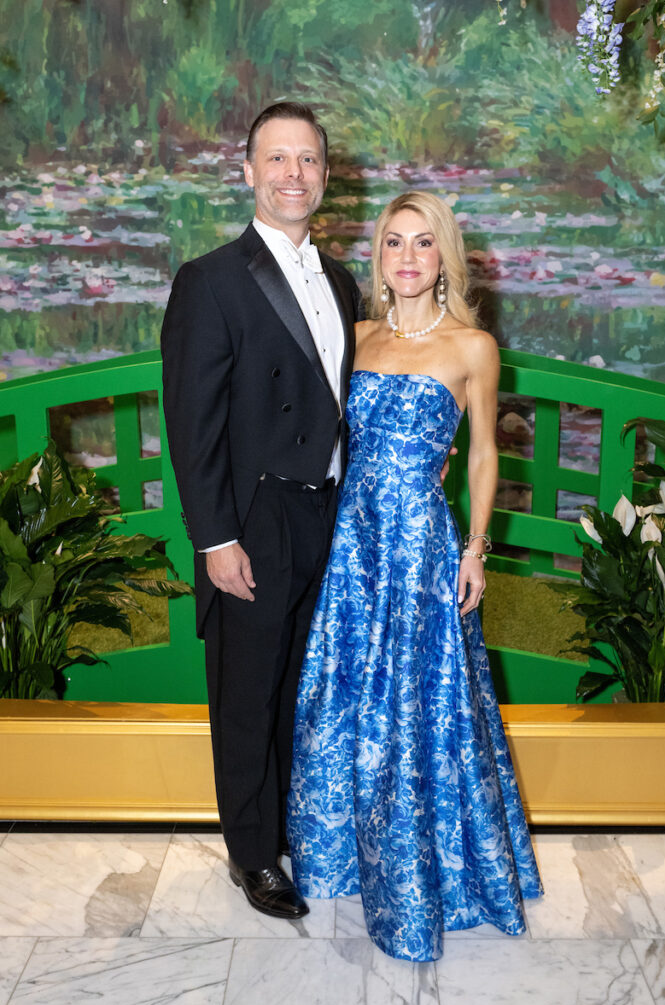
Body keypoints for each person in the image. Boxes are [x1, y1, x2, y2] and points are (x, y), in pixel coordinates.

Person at [288, 191, 543, 961]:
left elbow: (484, 454)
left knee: (421, 699)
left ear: (444, 257)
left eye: (421, 244)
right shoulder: (355, 337)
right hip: (352, 543)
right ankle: (341, 854)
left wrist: (475, 548)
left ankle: (423, 868)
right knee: (341, 688)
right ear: (379, 255)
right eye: (393, 243)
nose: (406, 258)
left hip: (423, 544)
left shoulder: (471, 347)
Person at [161, 102, 363, 920]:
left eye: (307, 160)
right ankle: (253, 856)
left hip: (328, 514)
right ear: (247, 172)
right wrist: (216, 538)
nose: (293, 175)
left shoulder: (344, 281)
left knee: (298, 689)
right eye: (276, 160)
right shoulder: (210, 280)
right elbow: (192, 422)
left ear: (325, 175)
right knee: (246, 692)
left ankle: (289, 829)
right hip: (254, 518)